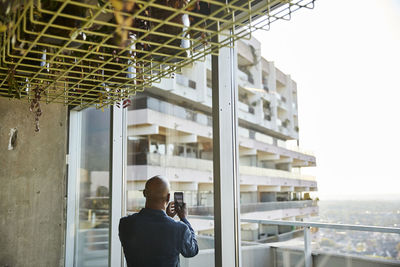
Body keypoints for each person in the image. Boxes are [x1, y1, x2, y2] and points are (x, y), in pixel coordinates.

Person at [119, 175, 198, 267]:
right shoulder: (179, 229)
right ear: (168, 197)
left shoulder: (125, 223)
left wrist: (167, 218)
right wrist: (183, 218)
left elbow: (151, 232)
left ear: (144, 193)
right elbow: (192, 251)